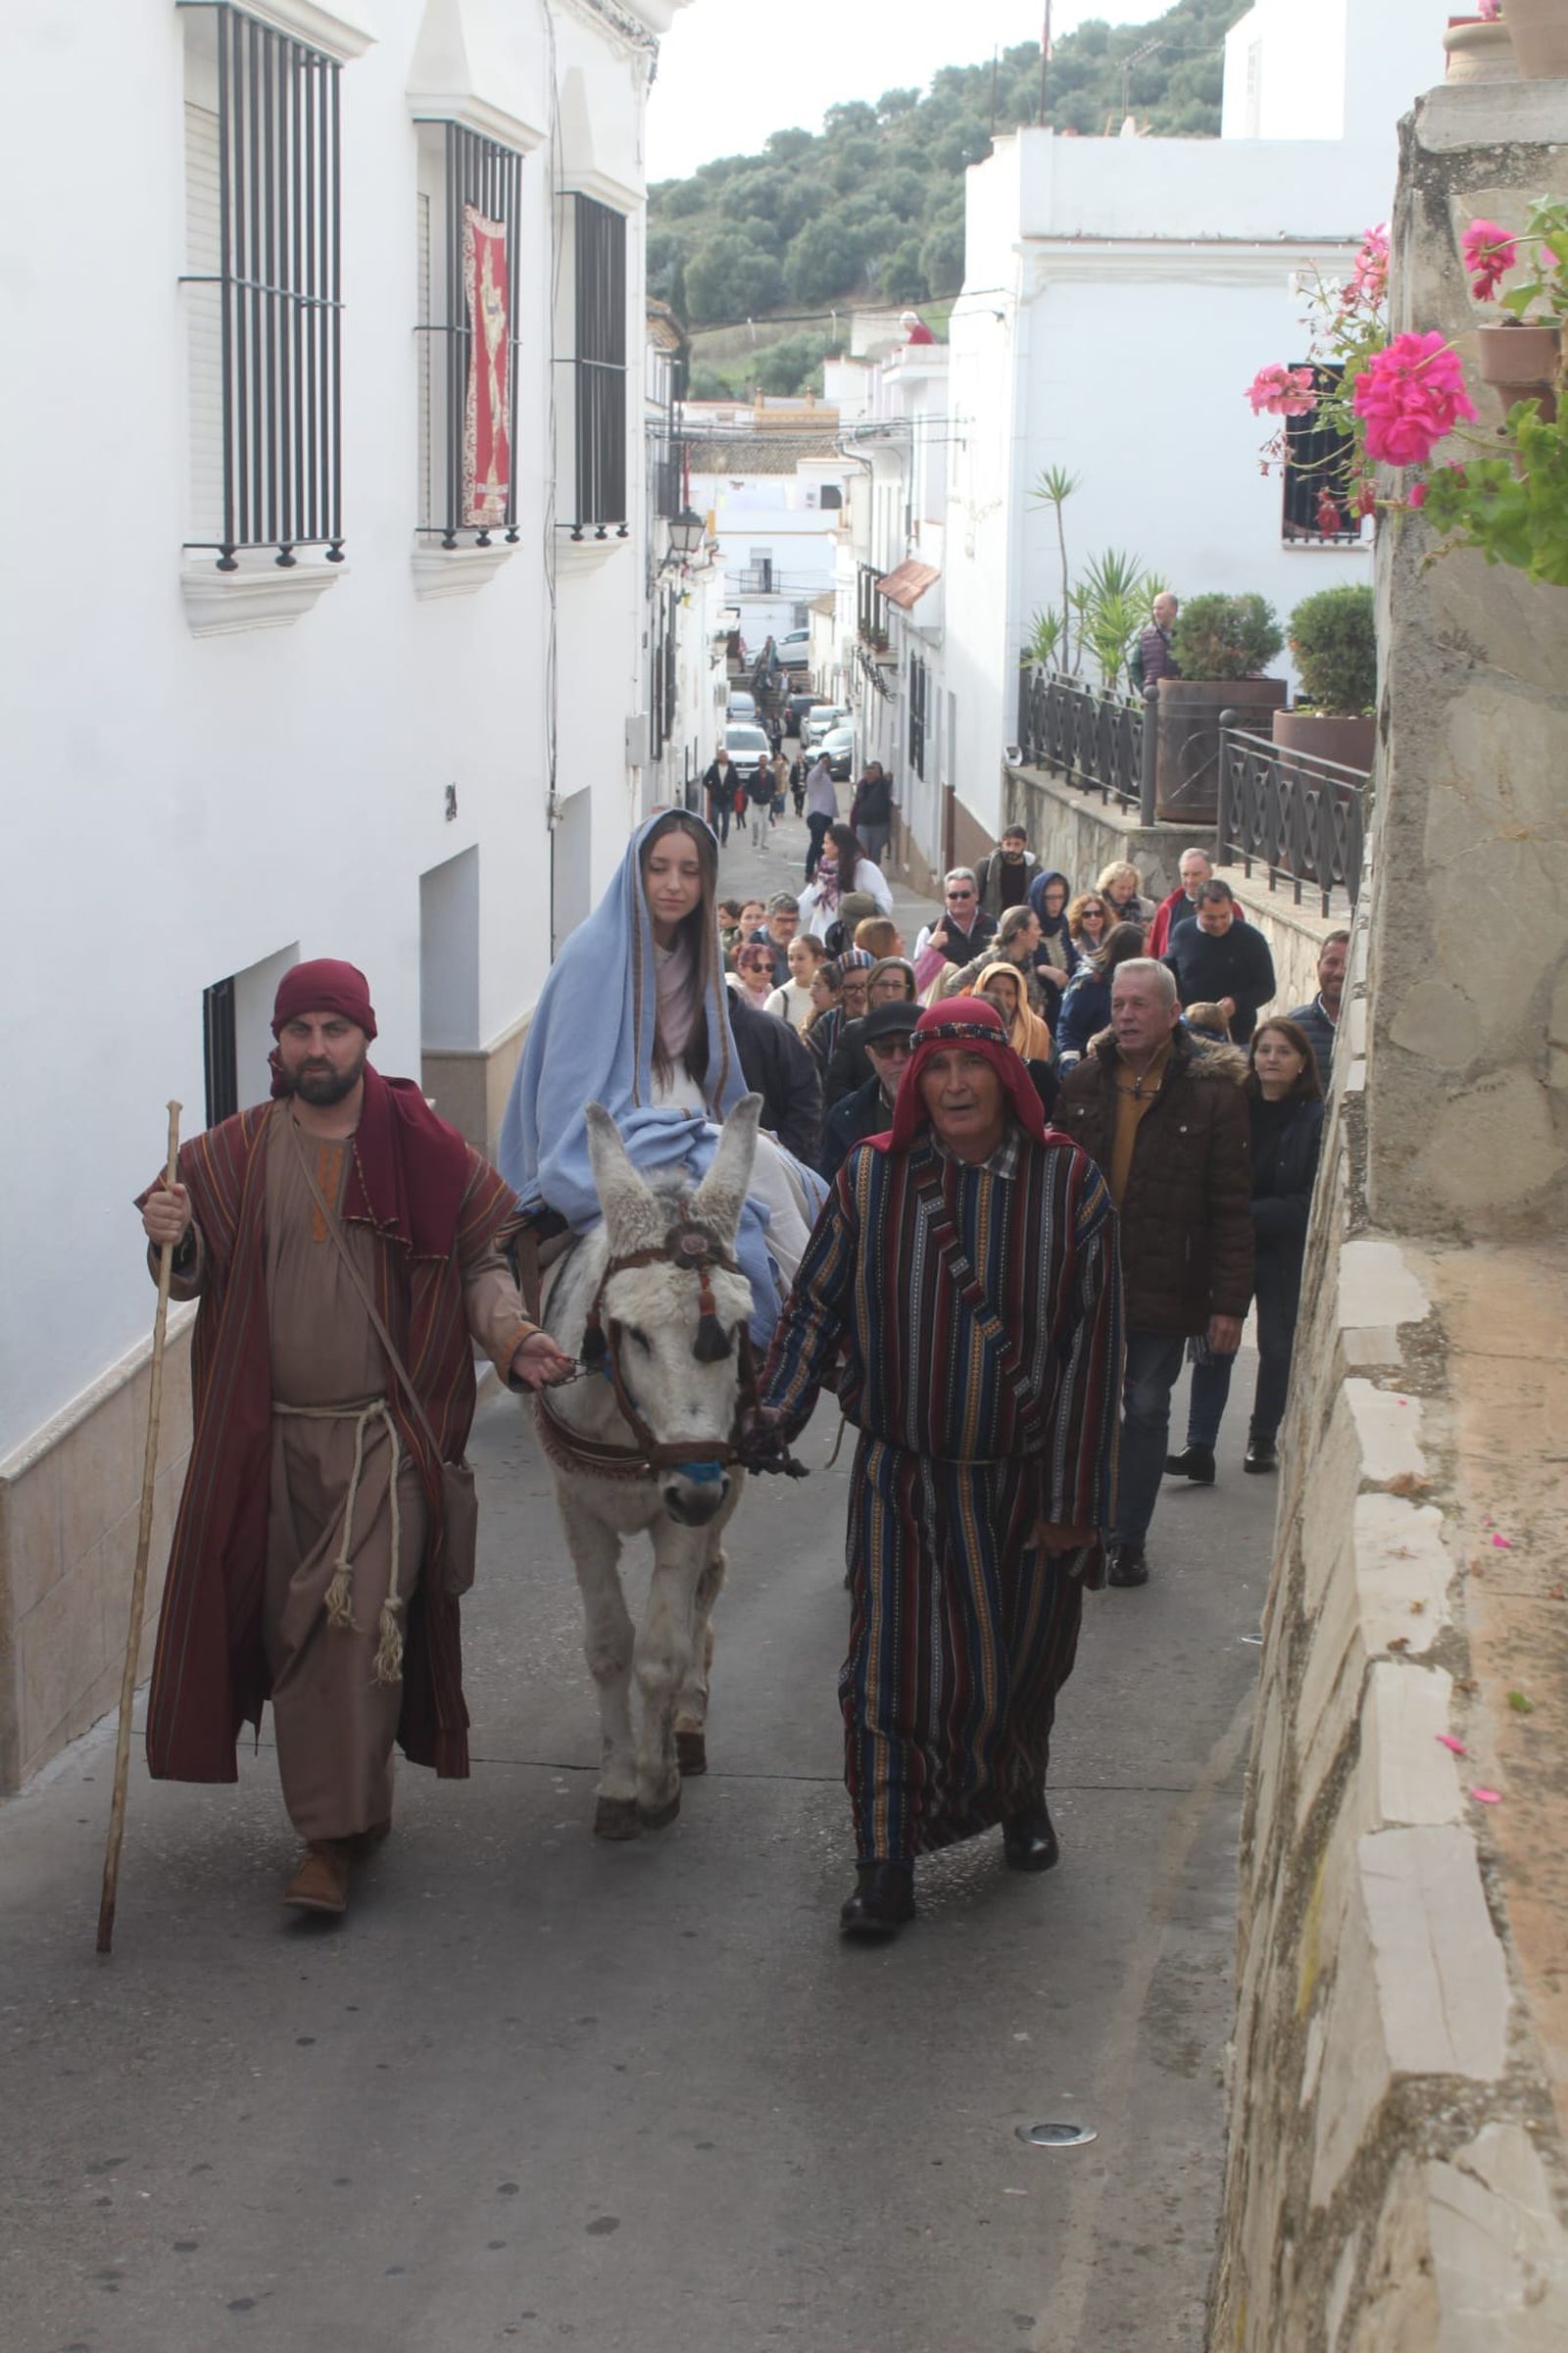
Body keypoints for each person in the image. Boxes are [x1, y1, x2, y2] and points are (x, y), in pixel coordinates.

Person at [136, 958, 573, 1918]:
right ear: (279, 1045)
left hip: (384, 1439)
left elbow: (482, 1266)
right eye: (302, 1030)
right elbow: (186, 1271)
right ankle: (352, 1804)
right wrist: (169, 1231)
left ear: (366, 1039)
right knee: (289, 1631)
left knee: (353, 1628)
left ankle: (325, 1844)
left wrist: (515, 1335)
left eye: (336, 1029)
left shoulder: (424, 1145)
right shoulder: (230, 1154)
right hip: (265, 1439)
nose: (318, 1047)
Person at [760, 998, 1123, 1939]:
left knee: (1021, 1666)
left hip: (1026, 1483)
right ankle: (884, 1863)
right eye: (934, 1068)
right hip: (903, 1482)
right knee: (888, 1673)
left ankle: (1020, 1794)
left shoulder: (1070, 1184)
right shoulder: (871, 1179)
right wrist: (775, 1410)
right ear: (913, 1082)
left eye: (970, 1065)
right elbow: (814, 1312)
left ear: (1005, 1077)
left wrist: (1073, 1502)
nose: (953, 1084)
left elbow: (1095, 1353)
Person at [499, 812, 826, 1343]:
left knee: (779, 1164)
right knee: (760, 1162)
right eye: (659, 868)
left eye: (690, 871)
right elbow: (569, 1089)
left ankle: (810, 1301)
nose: (674, 885)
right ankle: (812, 1313)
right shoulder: (590, 956)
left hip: (686, 1119)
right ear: (636, 872)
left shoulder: (696, 955)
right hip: (620, 1129)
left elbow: (711, 1069)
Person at [1056, 959, 1253, 1589]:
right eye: (1118, 1003)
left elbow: (1230, 1204)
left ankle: (1127, 1538)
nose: (1125, 1015)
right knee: (1080, 1410)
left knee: (1143, 1408)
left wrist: (1229, 1304)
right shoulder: (1085, 1081)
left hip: (1167, 1283)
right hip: (1085, 1281)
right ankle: (1076, 1524)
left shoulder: (1213, 1095)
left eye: (1140, 1005)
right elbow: (1051, 1188)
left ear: (1173, 1013)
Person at [1167, 1018, 1324, 1485]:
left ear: (1301, 1064)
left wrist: (1244, 1214)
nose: (1271, 1059)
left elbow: (1307, 1199)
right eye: (1264, 1050)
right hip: (1232, 1247)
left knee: (1277, 1346)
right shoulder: (1236, 1107)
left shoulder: (1314, 1118)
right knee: (1217, 1342)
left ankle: (1262, 1437)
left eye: (1283, 1052)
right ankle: (1200, 1444)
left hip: (1280, 1249)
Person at [1162, 879, 1278, 1045]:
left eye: (1224, 916)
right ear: (1197, 909)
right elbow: (1170, 969)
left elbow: (1266, 988)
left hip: (1235, 1035)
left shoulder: (1252, 940)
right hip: (1188, 1031)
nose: (1218, 924)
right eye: (1210, 917)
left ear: (1232, 907)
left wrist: (1236, 1003)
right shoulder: (1183, 932)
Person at [818, 1000, 918, 1180]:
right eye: (885, 1048)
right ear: (870, 1054)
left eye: (908, 1046)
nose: (897, 1058)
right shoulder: (844, 1117)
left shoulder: (950, 1109)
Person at [728, 985, 825, 1167]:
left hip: (780, 1167)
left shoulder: (769, 1029)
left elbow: (807, 1099)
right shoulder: (674, 1037)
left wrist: (781, 1155)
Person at [823, 955, 920, 1105]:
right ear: (870, 989)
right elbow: (836, 1088)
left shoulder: (921, 1030)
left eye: (896, 986)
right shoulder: (854, 1032)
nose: (889, 993)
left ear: (908, 991)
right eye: (882, 985)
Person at [1054, 920, 1149, 1065]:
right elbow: (1068, 1031)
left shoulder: (1135, 982)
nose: (1148, 959)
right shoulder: (1088, 983)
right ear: (1128, 955)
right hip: (1090, 1066)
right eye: (1144, 953)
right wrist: (1072, 1069)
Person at [935, 904, 1052, 1017]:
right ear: (1022, 933)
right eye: (1036, 928)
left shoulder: (1027, 960)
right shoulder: (990, 961)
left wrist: (1039, 1005)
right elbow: (952, 987)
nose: (1040, 932)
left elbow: (1033, 992)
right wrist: (976, 1011)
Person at [1147, 847, 1247, 959]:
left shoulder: (1230, 909)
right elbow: (1154, 953)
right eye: (1185, 874)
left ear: (1210, 873)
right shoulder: (1168, 909)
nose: (1190, 881)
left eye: (1196, 874)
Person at [797, 821, 893, 936]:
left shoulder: (864, 868)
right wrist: (785, 916)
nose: (823, 847)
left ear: (838, 846)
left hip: (853, 937)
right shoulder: (824, 872)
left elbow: (885, 901)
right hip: (824, 938)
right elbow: (806, 901)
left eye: (826, 843)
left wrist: (866, 921)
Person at [912, 869, 999, 987]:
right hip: (947, 1000)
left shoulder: (994, 926)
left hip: (985, 998)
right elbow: (917, 981)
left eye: (965, 895)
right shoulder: (929, 933)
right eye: (953, 895)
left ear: (977, 895)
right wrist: (932, 948)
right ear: (945, 898)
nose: (959, 900)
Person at [1286, 930, 1350, 1087]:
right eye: (1332, 963)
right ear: (1318, 966)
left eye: (1349, 965)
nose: (1339, 972)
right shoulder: (1293, 1026)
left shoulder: (1370, 1028)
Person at [975, 959, 1054, 1066]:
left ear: (1019, 997)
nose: (1002, 1000)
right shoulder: (967, 1025)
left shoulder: (1036, 1028)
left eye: (1009, 994)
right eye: (995, 992)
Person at [1026, 869, 1076, 998]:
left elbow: (1070, 952)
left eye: (1060, 897)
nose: (1056, 904)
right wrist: (1042, 970)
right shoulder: (1025, 923)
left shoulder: (1062, 922)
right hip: (1036, 1002)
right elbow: (1014, 967)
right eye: (1050, 898)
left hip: (1064, 999)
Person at [764, 932, 826, 1033]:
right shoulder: (780, 998)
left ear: (819, 960)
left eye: (800, 958)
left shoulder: (833, 994)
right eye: (790, 959)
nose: (794, 964)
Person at [974, 823, 1038, 918]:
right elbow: (973, 897)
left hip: (1020, 925)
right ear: (1002, 844)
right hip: (991, 926)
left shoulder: (1034, 871)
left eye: (1017, 844)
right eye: (1008, 844)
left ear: (1024, 844)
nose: (1012, 849)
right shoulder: (986, 866)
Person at [1128, 591, 1181, 693]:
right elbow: (1135, 667)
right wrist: (1144, 688)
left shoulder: (1187, 635)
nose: (1156, 612)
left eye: (1160, 608)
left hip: (1181, 698)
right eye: (1154, 608)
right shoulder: (1146, 635)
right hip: (1153, 700)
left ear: (1173, 610)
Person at [849, 761, 894, 867]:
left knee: (875, 852)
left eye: (872, 769)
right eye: (867, 769)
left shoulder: (882, 784)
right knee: (863, 851)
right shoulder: (862, 785)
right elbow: (858, 802)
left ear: (878, 773)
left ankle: (873, 873)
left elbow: (888, 779)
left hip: (879, 825)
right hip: (863, 824)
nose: (869, 772)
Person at [757, 891, 800, 988]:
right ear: (767, 920)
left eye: (793, 920)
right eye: (782, 920)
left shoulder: (802, 951)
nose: (789, 927)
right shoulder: (754, 953)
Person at [804, 755, 837, 880]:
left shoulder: (827, 777)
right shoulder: (814, 775)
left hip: (826, 815)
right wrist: (822, 763)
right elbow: (817, 771)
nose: (828, 764)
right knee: (817, 844)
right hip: (817, 814)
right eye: (825, 762)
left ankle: (821, 869)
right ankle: (809, 871)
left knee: (824, 845)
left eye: (829, 762)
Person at [1097, 859, 1158, 929]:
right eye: (1121, 888)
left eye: (1130, 888)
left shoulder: (1147, 907)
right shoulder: (1097, 906)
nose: (1126, 893)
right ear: (1109, 885)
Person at [1065, 890, 1110, 971]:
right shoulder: (1073, 945)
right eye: (1087, 915)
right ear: (1078, 918)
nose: (1093, 918)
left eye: (1098, 913)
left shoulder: (1113, 940)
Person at [703, 745, 738, 847]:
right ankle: (716, 838)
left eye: (725, 756)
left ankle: (724, 840)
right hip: (716, 798)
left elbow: (737, 783)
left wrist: (731, 791)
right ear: (718, 757)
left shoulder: (732, 769)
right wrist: (711, 789)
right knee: (714, 818)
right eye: (722, 756)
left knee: (726, 820)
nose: (724, 757)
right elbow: (705, 780)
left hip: (727, 799)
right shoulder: (713, 768)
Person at [728, 940, 779, 1008]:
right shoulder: (735, 994)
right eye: (756, 967)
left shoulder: (770, 990)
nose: (764, 972)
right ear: (742, 970)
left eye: (769, 967)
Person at [744, 756, 774, 852]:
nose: (763, 762)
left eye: (764, 761)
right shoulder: (753, 774)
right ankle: (755, 838)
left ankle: (764, 843)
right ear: (759, 762)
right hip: (755, 802)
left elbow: (774, 787)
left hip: (766, 802)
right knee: (755, 822)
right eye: (761, 761)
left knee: (765, 823)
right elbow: (748, 787)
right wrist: (752, 795)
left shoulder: (771, 775)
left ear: (767, 762)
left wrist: (771, 796)